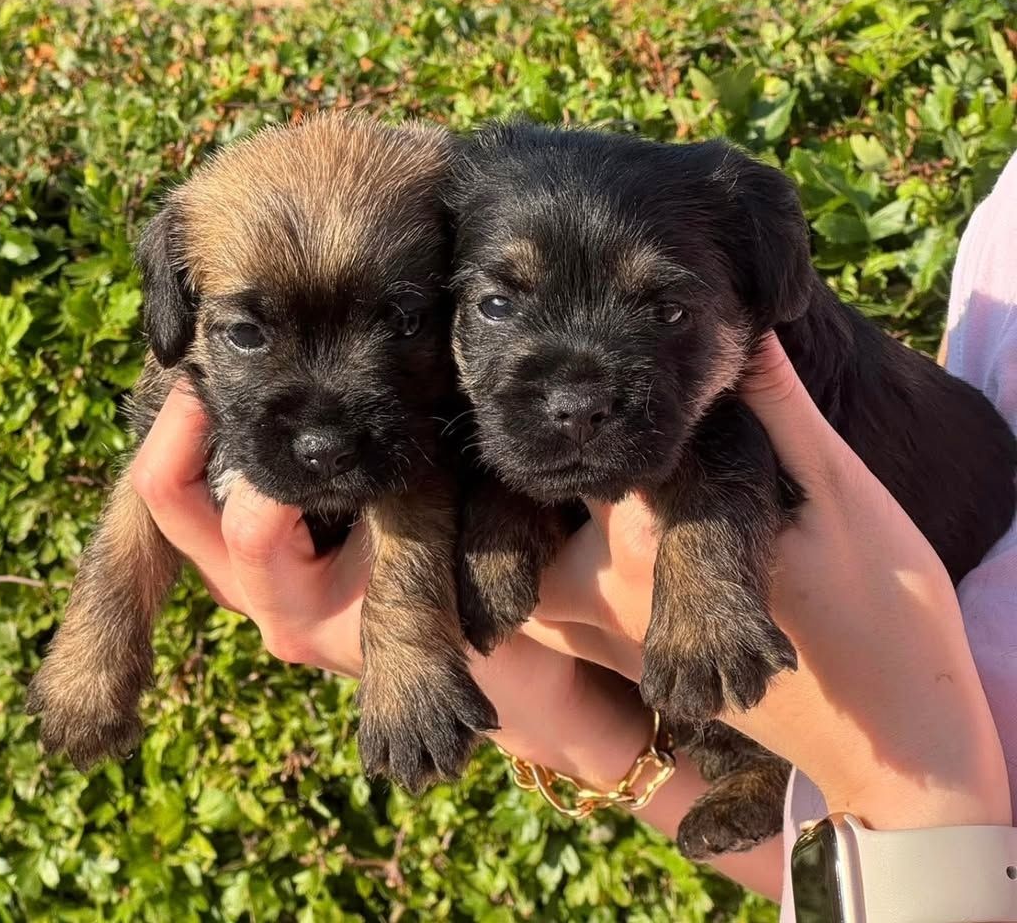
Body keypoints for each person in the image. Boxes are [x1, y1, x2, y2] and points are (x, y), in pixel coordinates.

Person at [129, 155, 1017, 910]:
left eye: (665, 312)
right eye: (498, 307)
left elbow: (754, 446)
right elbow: (803, 870)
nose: (573, 398)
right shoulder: (994, 246)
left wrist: (911, 783)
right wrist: (561, 714)